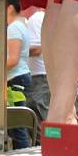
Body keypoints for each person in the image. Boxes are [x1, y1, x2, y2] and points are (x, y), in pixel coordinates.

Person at [0, 0, 33, 149]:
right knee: (13, 124)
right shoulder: (15, 26)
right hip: (12, 79)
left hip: (16, 80)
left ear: (9, 8)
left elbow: (13, 59)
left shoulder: (14, 28)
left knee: (17, 124)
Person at [25, 9, 50, 142]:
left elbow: (37, 49)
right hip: (44, 73)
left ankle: (45, 147)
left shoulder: (37, 18)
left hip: (40, 74)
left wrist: (16, 50)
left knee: (39, 115)